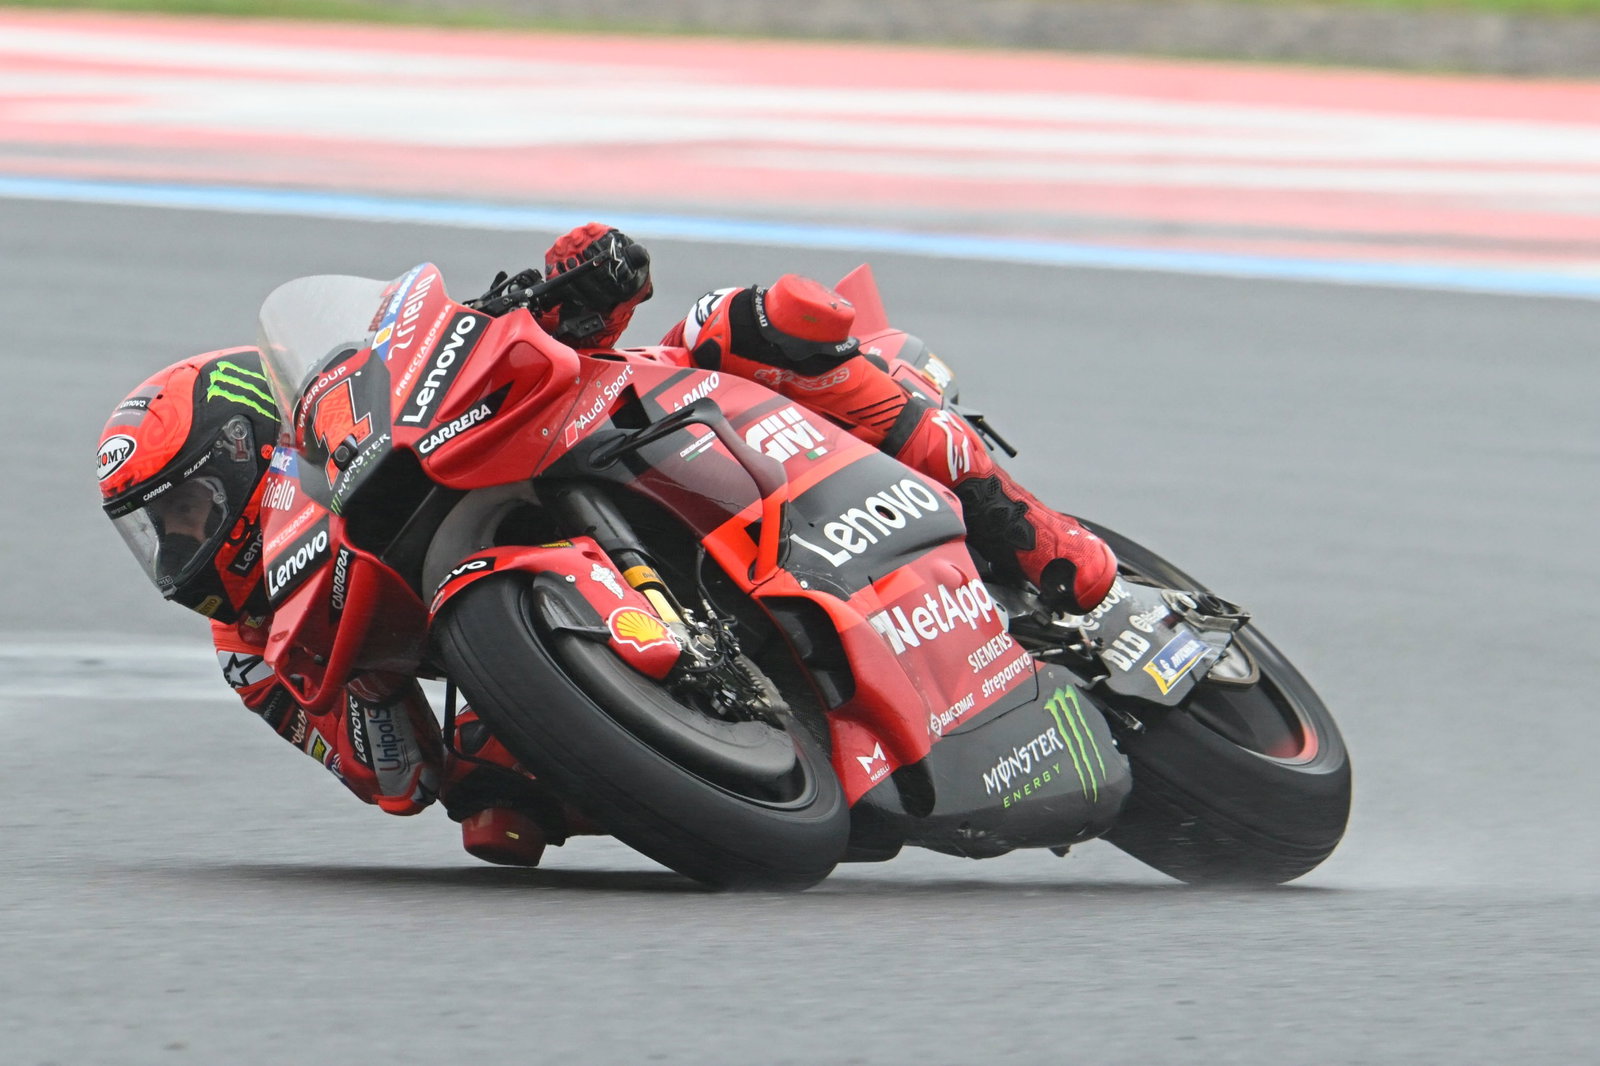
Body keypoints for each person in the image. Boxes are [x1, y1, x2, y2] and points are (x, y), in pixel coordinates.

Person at [95, 223, 1114, 869]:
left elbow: (535, 325)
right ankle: (733, 735)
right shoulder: (256, 649)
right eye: (158, 535)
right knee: (497, 811)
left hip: (643, 415)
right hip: (561, 662)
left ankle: (1032, 532)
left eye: (182, 513)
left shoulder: (349, 425)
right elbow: (397, 781)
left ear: (246, 451)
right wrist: (364, 691)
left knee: (750, 321)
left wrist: (575, 283)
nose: (179, 550)